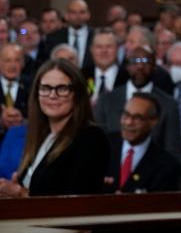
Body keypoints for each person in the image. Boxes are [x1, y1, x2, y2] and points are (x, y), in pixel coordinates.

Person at [0, 59, 108, 196]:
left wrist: (21, 193)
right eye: (45, 88)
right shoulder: (41, 135)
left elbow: (76, 202)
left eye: (62, 88)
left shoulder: (91, 138)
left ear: (77, 93)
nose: (52, 95)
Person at [105, 92, 181, 193]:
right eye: (126, 115)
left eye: (137, 118)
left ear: (153, 121)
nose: (128, 122)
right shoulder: (102, 146)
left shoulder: (166, 165)